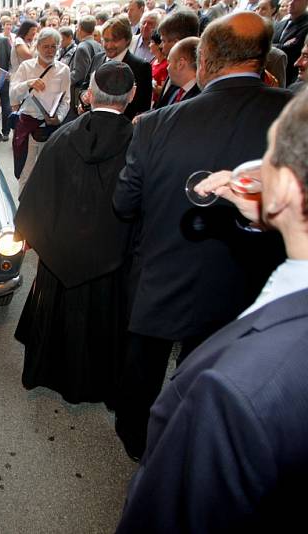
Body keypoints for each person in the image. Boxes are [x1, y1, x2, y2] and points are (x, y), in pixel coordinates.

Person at [117, 88, 308, 534]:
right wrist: (260, 218)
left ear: (283, 186)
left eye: (270, 157)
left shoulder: (237, 387)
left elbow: (182, 510)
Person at [112, 12, 293, 461]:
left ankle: (139, 445)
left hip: (164, 275)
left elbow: (124, 203)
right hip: (249, 284)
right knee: (219, 371)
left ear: (205, 58)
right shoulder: (293, 115)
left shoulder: (157, 125)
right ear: (263, 56)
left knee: (142, 374)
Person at [15, 62, 136, 407]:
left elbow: (33, 204)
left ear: (88, 93)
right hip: (113, 263)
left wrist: (49, 245)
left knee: (58, 321)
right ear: (132, 95)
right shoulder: (142, 142)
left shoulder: (62, 138)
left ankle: (47, 372)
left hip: (60, 261)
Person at [9, 28, 71, 185]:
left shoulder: (64, 70)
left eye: (53, 46)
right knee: (25, 174)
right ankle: (23, 208)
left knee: (48, 174)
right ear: (37, 46)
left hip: (50, 129)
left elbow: (66, 100)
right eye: (46, 46)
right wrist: (28, 83)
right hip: (27, 127)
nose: (50, 51)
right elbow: (13, 95)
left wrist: (58, 118)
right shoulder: (26, 67)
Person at [88, 18, 153, 120]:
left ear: (127, 40)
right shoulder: (97, 58)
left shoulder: (141, 67)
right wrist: (84, 98)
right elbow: (84, 86)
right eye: (106, 40)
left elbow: (143, 107)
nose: (109, 45)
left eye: (115, 40)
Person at [68, 16, 103, 121]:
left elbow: (79, 74)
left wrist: (63, 79)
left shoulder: (82, 47)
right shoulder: (98, 45)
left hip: (81, 93)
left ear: (80, 29)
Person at [155, 36, 201, 108]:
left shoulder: (199, 99)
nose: (167, 68)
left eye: (169, 62)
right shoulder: (175, 87)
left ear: (180, 64)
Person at [274, 0, 308, 84]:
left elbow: (291, 50)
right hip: (272, 73)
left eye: (296, 0)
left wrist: (270, 46)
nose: (291, 2)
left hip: (292, 77)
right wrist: (281, 46)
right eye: (289, 0)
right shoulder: (279, 24)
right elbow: (264, 45)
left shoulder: (306, 26)